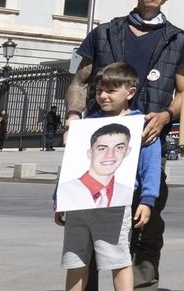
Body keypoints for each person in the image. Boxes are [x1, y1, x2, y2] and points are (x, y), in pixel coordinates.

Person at [64, 0, 184, 291]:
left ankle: (142, 286)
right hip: (99, 143)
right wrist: (73, 117)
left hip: (147, 143)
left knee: (146, 224)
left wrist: (165, 115)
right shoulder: (104, 33)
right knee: (90, 224)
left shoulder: (179, 39)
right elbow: (79, 81)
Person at [56, 63, 161, 291]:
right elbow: (71, 163)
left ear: (130, 92)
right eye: (99, 91)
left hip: (116, 205)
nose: (103, 96)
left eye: (111, 91)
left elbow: (151, 166)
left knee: (119, 260)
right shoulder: (86, 124)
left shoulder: (142, 125)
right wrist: (59, 197)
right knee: (75, 262)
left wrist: (148, 199)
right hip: (77, 204)